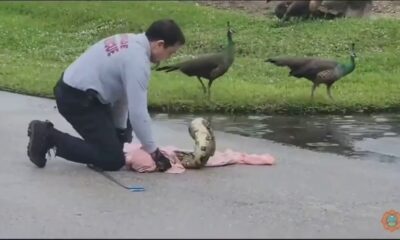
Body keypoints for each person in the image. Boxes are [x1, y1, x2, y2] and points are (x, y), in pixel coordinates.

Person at [26, 19, 186, 172]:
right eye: (170, 53)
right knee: (112, 159)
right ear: (160, 45)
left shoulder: (131, 41)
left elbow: (123, 97)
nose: (168, 58)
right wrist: (154, 153)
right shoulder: (138, 62)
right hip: (77, 100)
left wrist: (119, 131)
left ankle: (97, 150)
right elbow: (138, 113)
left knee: (119, 138)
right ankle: (48, 136)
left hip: (79, 93)